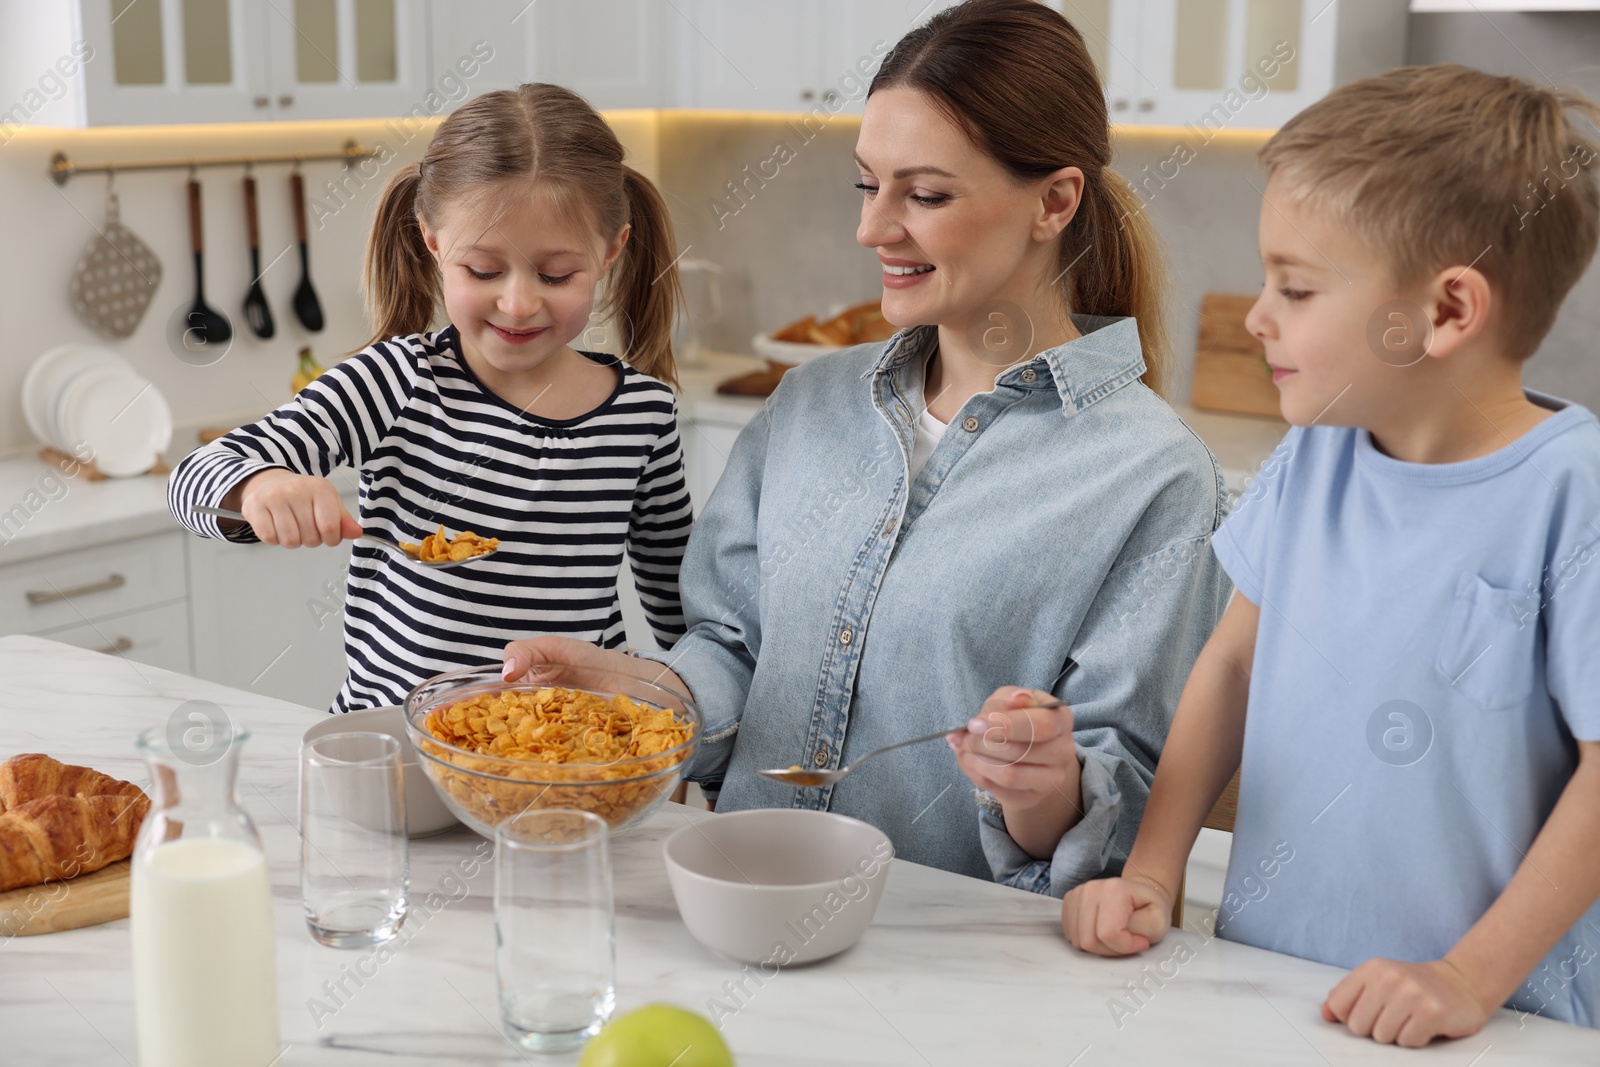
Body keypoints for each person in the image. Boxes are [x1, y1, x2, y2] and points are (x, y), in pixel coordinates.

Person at [505, 0, 1231, 894]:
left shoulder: (1154, 475)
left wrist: (1043, 784)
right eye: (868, 184)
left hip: (948, 971)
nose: (873, 227)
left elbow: (1121, 820)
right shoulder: (809, 402)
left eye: (924, 195)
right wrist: (637, 692)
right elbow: (733, 646)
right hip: (740, 906)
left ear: (1054, 201)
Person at [1062, 65, 1600, 1043]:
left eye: (1295, 286)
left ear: (1444, 312)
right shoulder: (1317, 454)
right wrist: (1150, 867)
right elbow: (1229, 664)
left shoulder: (1573, 495)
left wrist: (1463, 977)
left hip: (1496, 1024)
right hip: (1271, 984)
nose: (1257, 313)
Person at [168, 83, 692, 714]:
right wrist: (257, 488)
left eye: (556, 275)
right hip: (397, 751)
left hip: (567, 762)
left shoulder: (643, 415)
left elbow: (680, 607)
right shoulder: (396, 382)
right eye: (484, 271)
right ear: (434, 243)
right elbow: (192, 480)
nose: (519, 302)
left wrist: (694, 735)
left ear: (609, 253)